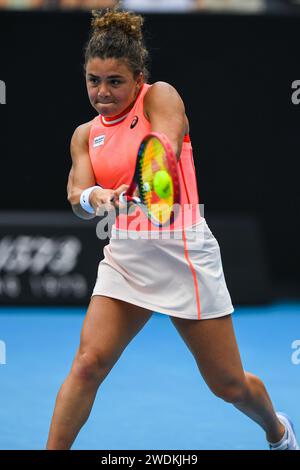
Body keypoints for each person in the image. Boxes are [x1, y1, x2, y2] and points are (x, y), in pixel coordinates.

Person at [46, 4, 299, 450]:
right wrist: (96, 197)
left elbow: (164, 139)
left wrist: (154, 169)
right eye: (93, 80)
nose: (103, 92)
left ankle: (277, 430)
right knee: (87, 363)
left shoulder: (160, 96)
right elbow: (76, 197)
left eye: (115, 81)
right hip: (125, 254)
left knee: (228, 385)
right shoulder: (85, 134)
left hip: (183, 250)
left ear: (138, 77)